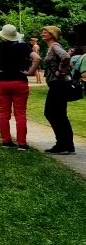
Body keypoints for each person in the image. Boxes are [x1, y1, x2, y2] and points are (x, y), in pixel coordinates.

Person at [0, 24, 39, 151]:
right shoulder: (23, 46)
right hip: (19, 81)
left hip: (2, 82)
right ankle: (22, 144)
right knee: (20, 114)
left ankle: (6, 141)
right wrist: (29, 72)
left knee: (4, 112)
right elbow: (37, 58)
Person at [40, 25, 75, 155]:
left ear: (53, 34)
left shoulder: (55, 46)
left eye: (46, 31)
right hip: (57, 84)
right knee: (59, 114)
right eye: (42, 31)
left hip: (58, 84)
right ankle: (67, 145)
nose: (42, 33)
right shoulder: (52, 47)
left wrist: (60, 70)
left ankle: (62, 144)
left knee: (52, 113)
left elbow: (65, 56)